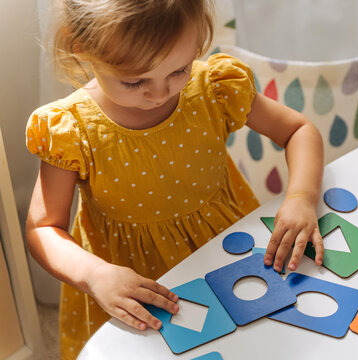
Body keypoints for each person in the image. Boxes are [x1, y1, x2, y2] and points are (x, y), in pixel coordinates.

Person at [25, 0, 324, 358]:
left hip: (226, 254)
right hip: (133, 286)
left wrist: (301, 198)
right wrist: (95, 275)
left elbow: (298, 130)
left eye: (179, 70)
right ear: (81, 45)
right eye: (135, 81)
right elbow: (43, 228)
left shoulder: (213, 87)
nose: (160, 93)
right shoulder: (71, 130)